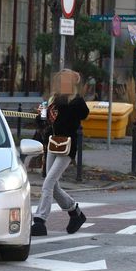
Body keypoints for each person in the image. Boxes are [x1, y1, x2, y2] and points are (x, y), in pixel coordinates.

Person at [31, 90, 90, 236]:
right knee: (53, 185)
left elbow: (82, 115)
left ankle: (39, 220)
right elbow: (44, 121)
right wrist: (42, 115)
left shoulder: (76, 101)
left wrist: (65, 103)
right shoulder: (53, 99)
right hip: (53, 143)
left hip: (68, 146)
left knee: (49, 183)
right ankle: (75, 213)